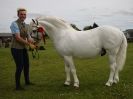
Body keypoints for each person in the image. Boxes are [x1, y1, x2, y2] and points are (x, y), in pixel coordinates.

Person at [10, 8, 36, 90]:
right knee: (20, 66)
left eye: (24, 14)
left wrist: (33, 42)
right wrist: (29, 44)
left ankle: (27, 82)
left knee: (26, 65)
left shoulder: (26, 25)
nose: (23, 16)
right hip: (16, 48)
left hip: (23, 48)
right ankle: (17, 86)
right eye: (21, 14)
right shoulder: (14, 24)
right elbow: (17, 38)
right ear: (18, 15)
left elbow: (28, 37)